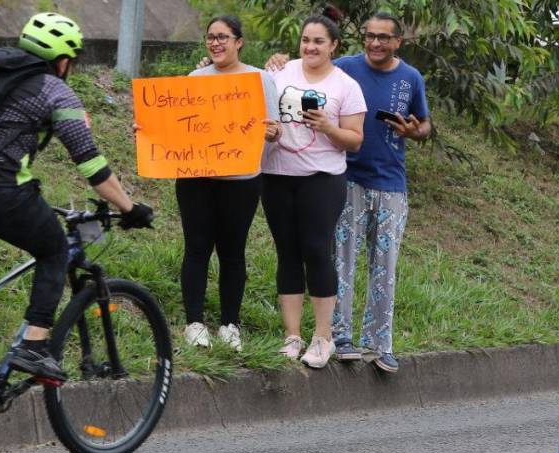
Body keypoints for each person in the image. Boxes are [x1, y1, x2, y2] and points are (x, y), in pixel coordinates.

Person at [0, 12, 154, 381]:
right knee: (54, 250)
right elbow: (91, 165)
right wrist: (130, 208)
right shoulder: (54, 89)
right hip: (0, 192)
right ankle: (33, 346)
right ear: (63, 60)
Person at [268, 12, 430, 373]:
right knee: (338, 258)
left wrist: (414, 131)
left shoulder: (408, 78)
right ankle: (337, 337)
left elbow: (424, 126)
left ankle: (378, 343)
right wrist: (277, 60)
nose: (375, 43)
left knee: (382, 266)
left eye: (383, 38)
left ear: (397, 42)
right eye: (370, 36)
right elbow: (295, 69)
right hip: (344, 180)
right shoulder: (337, 68)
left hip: (386, 180)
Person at [260, 14, 366, 369]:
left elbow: (354, 140)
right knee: (287, 252)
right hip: (276, 175)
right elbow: (258, 113)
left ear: (334, 46)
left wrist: (328, 127)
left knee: (316, 251)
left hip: (322, 179)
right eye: (306, 40)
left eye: (319, 41)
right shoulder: (279, 73)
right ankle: (292, 335)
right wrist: (270, 132)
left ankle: (324, 337)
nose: (310, 47)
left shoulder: (346, 85)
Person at [172, 15, 279, 352]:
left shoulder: (259, 79)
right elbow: (178, 126)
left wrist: (272, 132)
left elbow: (274, 132)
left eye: (222, 37)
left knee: (233, 251)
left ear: (239, 41)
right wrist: (149, 131)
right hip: (196, 180)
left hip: (242, 181)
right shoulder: (195, 78)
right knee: (197, 248)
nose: (215, 43)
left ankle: (230, 324)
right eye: (210, 37)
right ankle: (194, 322)